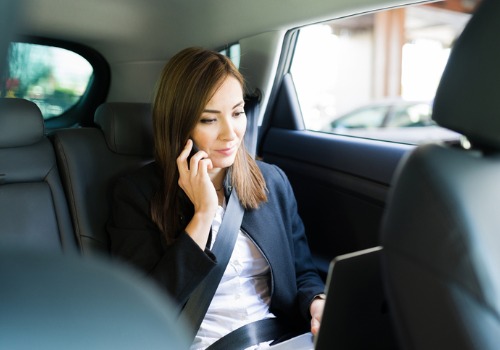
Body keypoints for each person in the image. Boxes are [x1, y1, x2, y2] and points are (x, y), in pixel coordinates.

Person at [107, 47, 325, 349]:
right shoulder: (136, 194)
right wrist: (203, 215)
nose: (231, 133)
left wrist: (317, 302)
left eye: (237, 113)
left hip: (284, 339)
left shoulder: (271, 180)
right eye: (209, 120)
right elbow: (146, 308)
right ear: (178, 125)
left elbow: (303, 273)